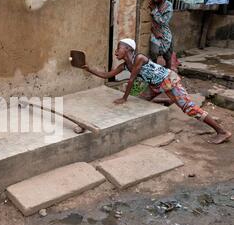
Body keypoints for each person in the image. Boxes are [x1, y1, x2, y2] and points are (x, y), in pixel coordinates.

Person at [82, 38, 231, 145]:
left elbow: (132, 80)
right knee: (141, 100)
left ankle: (222, 132)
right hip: (155, 85)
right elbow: (107, 75)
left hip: (168, 80)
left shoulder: (139, 58)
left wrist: (124, 98)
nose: (115, 51)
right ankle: (167, 100)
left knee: (189, 108)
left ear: (128, 49)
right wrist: (89, 69)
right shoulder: (124, 65)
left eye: (118, 48)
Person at [149, 0, 174, 69]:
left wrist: (154, 10)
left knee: (168, 55)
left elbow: (163, 21)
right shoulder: (154, 3)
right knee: (154, 53)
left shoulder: (168, 5)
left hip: (165, 33)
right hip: (154, 31)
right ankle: (155, 72)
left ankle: (168, 73)